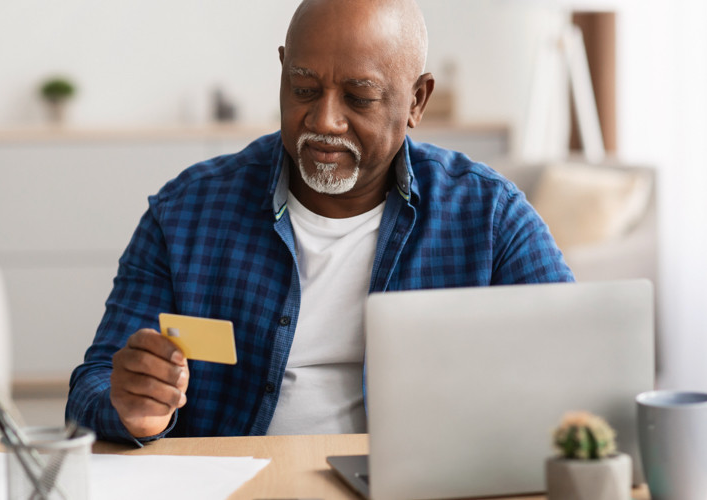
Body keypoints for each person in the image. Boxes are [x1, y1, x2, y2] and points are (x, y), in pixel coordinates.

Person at [66, 0, 573, 446]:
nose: (324, 119)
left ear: (417, 100)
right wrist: (130, 407)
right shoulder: (186, 214)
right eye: (305, 88)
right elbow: (91, 385)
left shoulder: (489, 217)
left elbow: (576, 371)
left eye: (360, 97)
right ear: (283, 71)